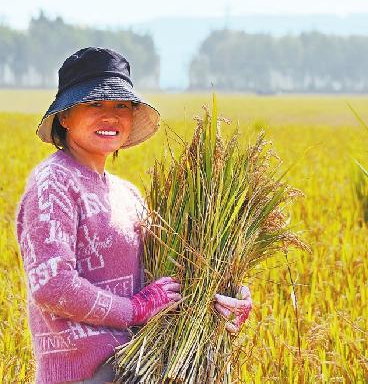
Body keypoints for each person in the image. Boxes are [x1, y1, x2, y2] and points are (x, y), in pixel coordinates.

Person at [15, 47, 253, 384]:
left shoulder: (129, 195)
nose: (110, 116)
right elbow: (52, 285)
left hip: (138, 368)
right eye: (94, 103)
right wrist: (134, 310)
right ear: (65, 117)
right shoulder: (53, 183)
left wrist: (223, 297)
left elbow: (166, 282)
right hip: (86, 375)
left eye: (121, 105)